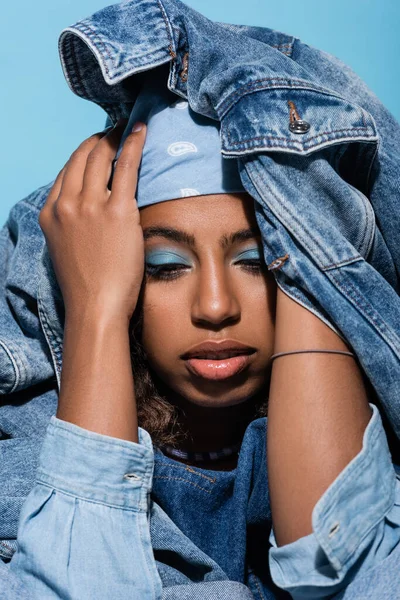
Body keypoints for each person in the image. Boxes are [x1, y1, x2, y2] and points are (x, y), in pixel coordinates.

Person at [2, 71, 400, 600]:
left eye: (257, 260)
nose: (216, 306)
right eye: (166, 265)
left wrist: (317, 260)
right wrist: (95, 314)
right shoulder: (19, 447)